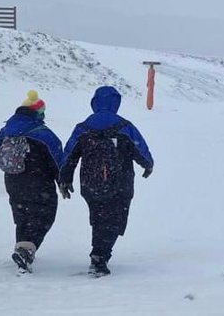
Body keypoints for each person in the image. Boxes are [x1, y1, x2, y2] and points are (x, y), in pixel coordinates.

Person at [58, 86, 153, 277]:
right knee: (114, 220)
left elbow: (69, 155)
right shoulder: (125, 126)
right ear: (116, 103)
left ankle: (99, 253)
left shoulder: (83, 128)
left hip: (90, 183)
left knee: (99, 218)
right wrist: (148, 165)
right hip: (121, 183)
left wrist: (65, 178)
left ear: (94, 103)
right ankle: (100, 255)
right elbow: (140, 150)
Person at [0, 90, 63, 273]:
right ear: (38, 113)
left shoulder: (7, 131)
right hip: (39, 182)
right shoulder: (43, 133)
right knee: (45, 215)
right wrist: (63, 181)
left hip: (13, 181)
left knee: (23, 216)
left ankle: (22, 250)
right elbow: (57, 159)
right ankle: (26, 251)